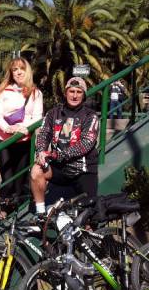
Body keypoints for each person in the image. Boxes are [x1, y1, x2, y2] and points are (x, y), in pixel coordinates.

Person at [30, 77, 99, 214]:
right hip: (58, 167)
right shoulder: (53, 113)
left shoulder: (90, 116)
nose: (74, 95)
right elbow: (44, 134)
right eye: (71, 91)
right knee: (36, 170)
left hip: (83, 169)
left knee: (89, 219)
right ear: (65, 93)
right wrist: (41, 152)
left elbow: (86, 144)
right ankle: (40, 213)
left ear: (84, 95)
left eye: (79, 92)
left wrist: (57, 154)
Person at [0, 58, 43, 214]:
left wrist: (24, 128)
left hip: (24, 141)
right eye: (15, 69)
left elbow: (38, 117)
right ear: (11, 73)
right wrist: (8, 128)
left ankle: (17, 213)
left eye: (22, 68)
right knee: (7, 180)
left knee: (20, 181)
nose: (19, 72)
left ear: (27, 71)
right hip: (4, 140)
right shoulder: (3, 91)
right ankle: (4, 211)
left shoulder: (35, 93)